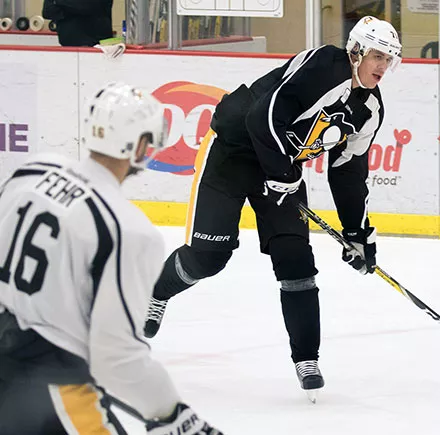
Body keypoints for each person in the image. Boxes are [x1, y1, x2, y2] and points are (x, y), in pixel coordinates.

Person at [144, 16, 402, 401]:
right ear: (356, 51)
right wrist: (283, 172)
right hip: (233, 152)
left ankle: (307, 359)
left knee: (296, 259)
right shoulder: (325, 66)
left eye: (389, 59)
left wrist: (358, 234)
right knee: (208, 257)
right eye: (377, 56)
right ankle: (156, 291)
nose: (383, 66)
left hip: (281, 170)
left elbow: (348, 171)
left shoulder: (369, 111)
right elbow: (261, 116)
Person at [0, 82, 223, 435]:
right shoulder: (129, 230)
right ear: (140, 145)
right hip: (49, 386)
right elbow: (117, 357)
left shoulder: (32, 170)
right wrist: (169, 411)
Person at [42, 0, 113, 47]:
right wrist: (72, 7)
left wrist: (57, 2)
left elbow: (86, 6)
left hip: (98, 45)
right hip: (67, 46)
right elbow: (47, 12)